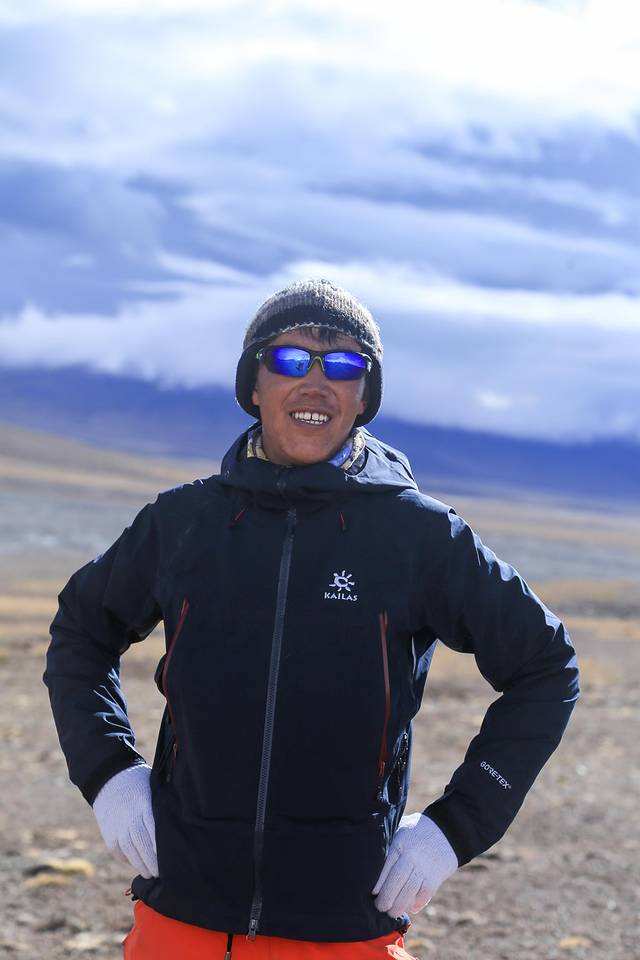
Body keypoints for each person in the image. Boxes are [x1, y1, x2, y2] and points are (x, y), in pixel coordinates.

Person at [44, 278, 580, 959]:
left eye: (345, 365)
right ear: (254, 383)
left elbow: (546, 667)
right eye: (290, 359)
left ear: (364, 395)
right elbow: (81, 632)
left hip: (344, 925)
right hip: (182, 915)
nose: (317, 383)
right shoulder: (183, 524)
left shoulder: (417, 536)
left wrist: (454, 829)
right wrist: (110, 774)